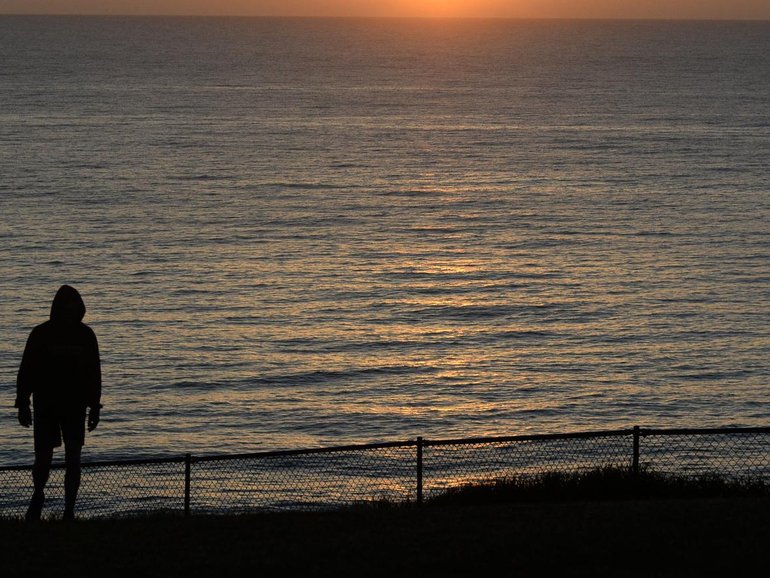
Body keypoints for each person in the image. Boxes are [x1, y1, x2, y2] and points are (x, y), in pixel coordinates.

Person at [15, 285, 102, 521]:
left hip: (75, 407)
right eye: (65, 307)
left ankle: (69, 509)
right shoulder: (40, 334)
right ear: (57, 308)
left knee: (73, 458)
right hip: (46, 406)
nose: (69, 312)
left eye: (73, 307)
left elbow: (94, 372)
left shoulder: (86, 336)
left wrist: (94, 405)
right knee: (43, 458)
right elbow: (27, 370)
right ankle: (38, 494)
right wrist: (23, 402)